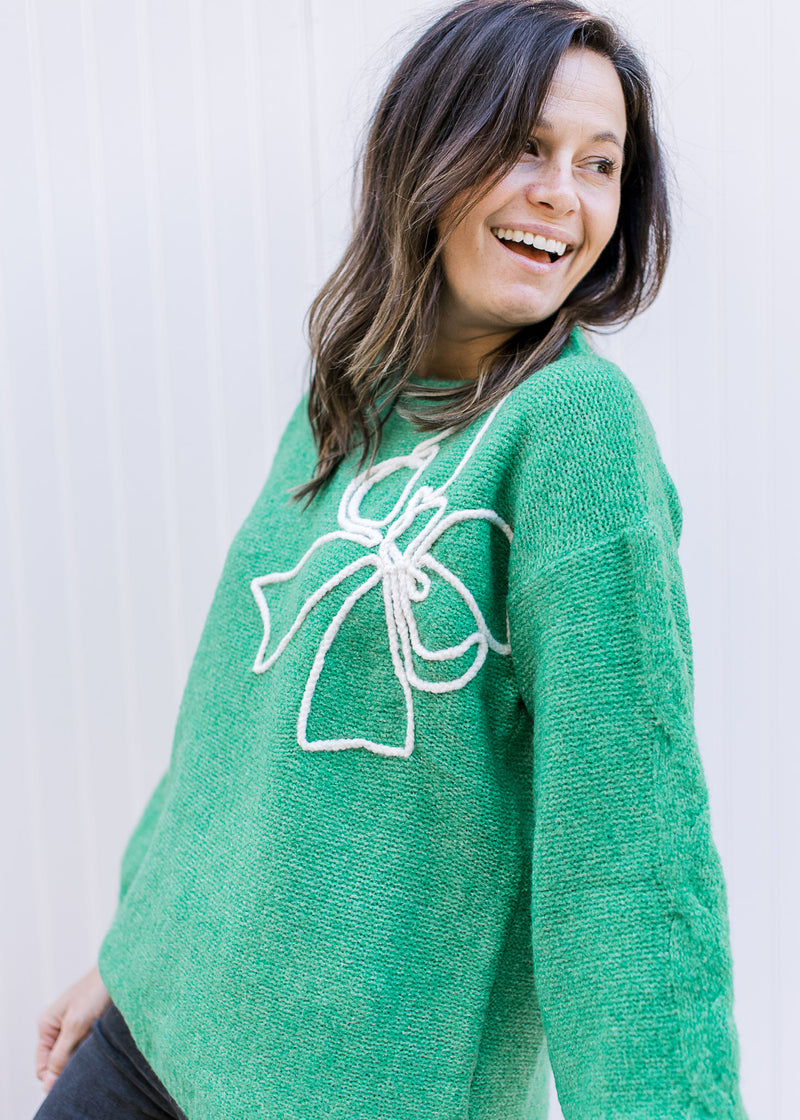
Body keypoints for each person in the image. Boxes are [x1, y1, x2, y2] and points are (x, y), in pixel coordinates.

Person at [33, 1, 750, 1117]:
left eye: (598, 165)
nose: (563, 196)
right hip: (150, 1038)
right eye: (523, 145)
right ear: (428, 151)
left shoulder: (571, 435)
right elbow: (231, 722)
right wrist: (129, 959)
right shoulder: (350, 390)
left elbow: (626, 859)